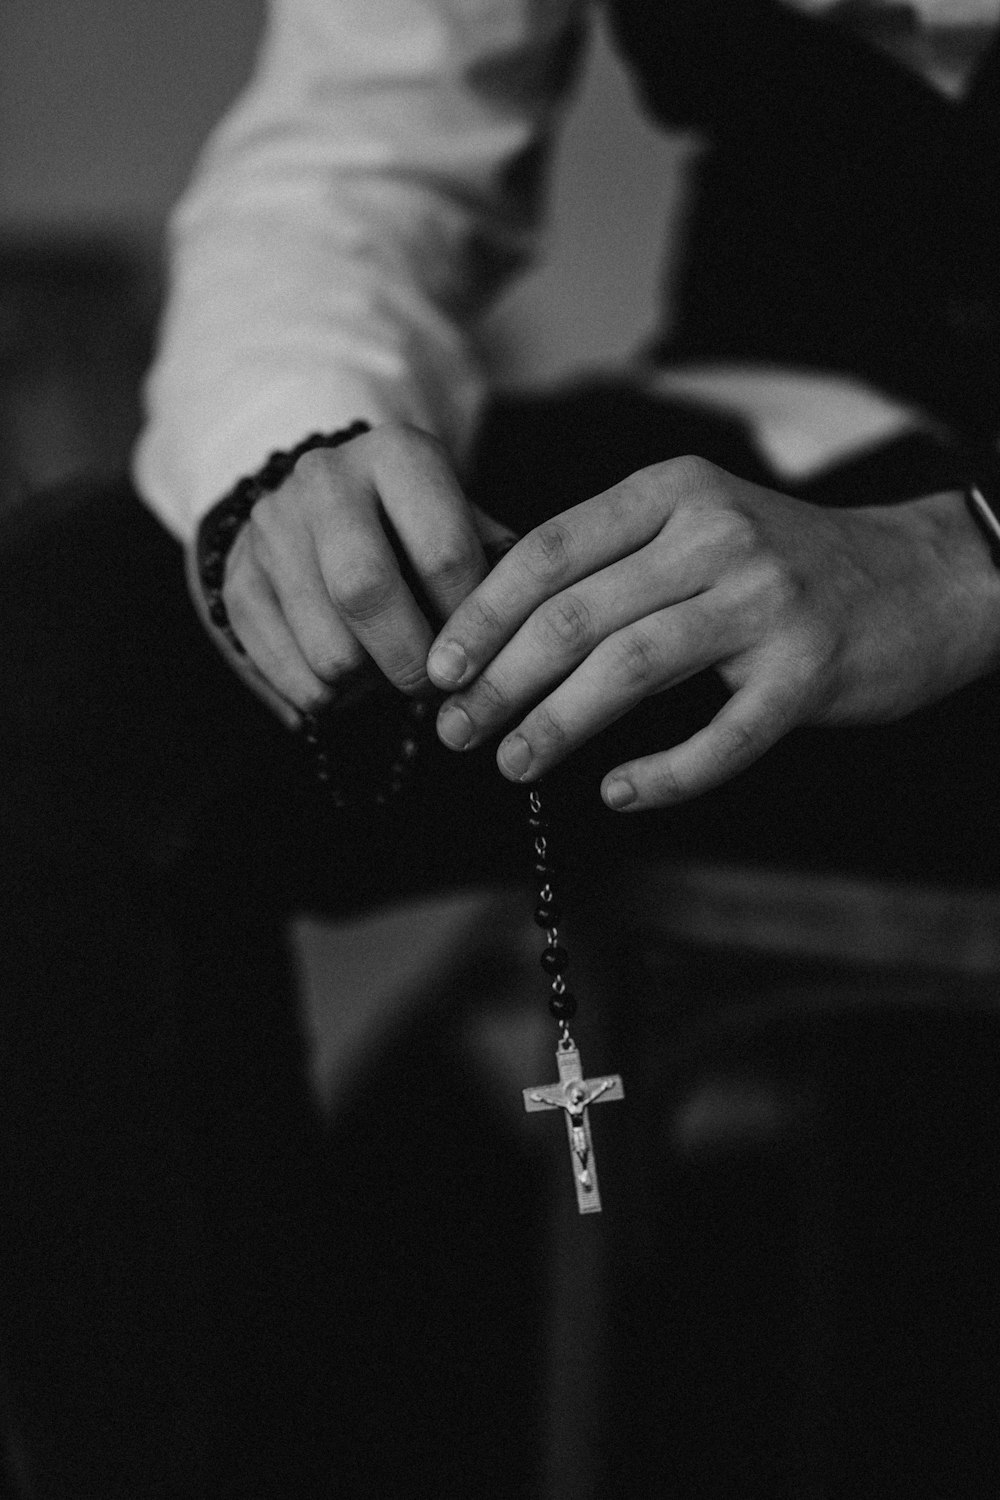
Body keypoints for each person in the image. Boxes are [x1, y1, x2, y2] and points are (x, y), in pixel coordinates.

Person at [2, 0, 999, 1493]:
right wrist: (300, 459)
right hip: (769, 464)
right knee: (56, 656)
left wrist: (972, 557)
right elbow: (360, 155)